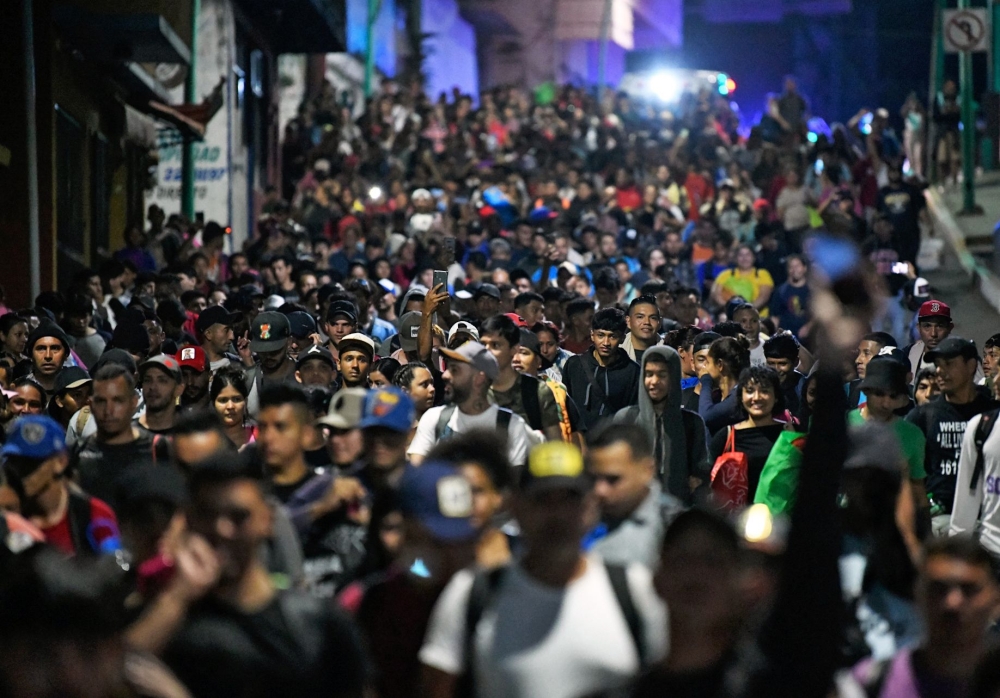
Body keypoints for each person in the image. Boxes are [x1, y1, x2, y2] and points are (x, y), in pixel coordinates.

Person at [419, 441, 667, 698]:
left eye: (570, 499)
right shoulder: (472, 594)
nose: (557, 514)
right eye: (543, 500)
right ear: (516, 508)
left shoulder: (635, 591)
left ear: (591, 507)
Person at [161, 451, 368, 698]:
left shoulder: (318, 625)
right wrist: (174, 598)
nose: (222, 529)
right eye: (207, 514)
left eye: (239, 517)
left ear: (267, 520)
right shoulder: (170, 623)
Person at [353, 461, 480, 698]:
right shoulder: (374, 605)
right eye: (438, 541)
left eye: (462, 541)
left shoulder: (490, 602)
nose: (454, 556)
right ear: (407, 533)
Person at [847, 537, 1000, 698]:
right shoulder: (868, 682)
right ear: (917, 595)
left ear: (996, 602)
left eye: (969, 590)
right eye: (938, 589)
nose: (952, 603)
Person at [908, 337, 998, 533]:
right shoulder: (922, 416)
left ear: (971, 365)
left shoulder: (992, 412)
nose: (940, 371)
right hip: (940, 520)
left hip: (988, 522)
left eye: (949, 364)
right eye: (938, 365)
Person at [2, 414, 120, 556]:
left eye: (31, 463)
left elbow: (115, 573)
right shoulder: (6, 516)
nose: (21, 471)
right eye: (15, 462)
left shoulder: (94, 516)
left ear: (61, 462)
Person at [408, 341, 532, 468]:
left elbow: (513, 483)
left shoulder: (511, 426)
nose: (445, 375)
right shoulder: (434, 418)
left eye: (454, 370)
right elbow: (417, 477)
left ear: (479, 378)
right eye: (448, 368)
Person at [614, 346, 710, 503]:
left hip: (677, 514)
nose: (654, 381)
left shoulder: (691, 423)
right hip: (634, 512)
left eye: (662, 375)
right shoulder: (626, 419)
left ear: (672, 378)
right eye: (649, 374)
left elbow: (701, 472)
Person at [586, 423, 685, 568]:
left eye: (613, 479)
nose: (600, 490)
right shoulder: (578, 521)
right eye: (593, 479)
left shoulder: (675, 528)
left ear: (647, 470)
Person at [70, 363, 158, 510]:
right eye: (101, 401)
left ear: (133, 403)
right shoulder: (77, 452)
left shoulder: (157, 448)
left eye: (118, 400)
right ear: (90, 405)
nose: (108, 410)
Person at [708, 366, 786, 502]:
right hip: (735, 519)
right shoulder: (727, 435)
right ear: (741, 397)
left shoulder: (789, 434)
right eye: (749, 391)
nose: (756, 397)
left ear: (776, 397)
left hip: (779, 518)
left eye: (765, 391)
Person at [480, 314, 563, 441]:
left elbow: (555, 445)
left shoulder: (537, 391)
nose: (487, 351)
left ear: (514, 349)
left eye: (495, 345)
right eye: (483, 344)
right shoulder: (474, 389)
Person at [562, 307, 641, 428]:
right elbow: (565, 404)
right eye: (601, 335)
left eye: (612, 336)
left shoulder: (632, 371)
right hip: (578, 440)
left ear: (622, 339)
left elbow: (633, 414)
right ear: (592, 335)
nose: (606, 342)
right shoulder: (574, 365)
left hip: (612, 441)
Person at [698, 336, 751, 434]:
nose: (704, 367)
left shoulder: (739, 396)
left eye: (708, 362)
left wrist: (705, 381)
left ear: (720, 365)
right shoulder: (717, 395)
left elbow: (705, 416)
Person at [710, 244, 775, 317]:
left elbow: (763, 297)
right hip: (730, 317)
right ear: (735, 258)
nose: (744, 258)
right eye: (741, 255)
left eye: (748, 255)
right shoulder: (725, 274)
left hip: (757, 317)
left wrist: (746, 311)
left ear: (754, 257)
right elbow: (716, 294)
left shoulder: (762, 274)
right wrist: (732, 310)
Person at [136, 354, 184, 434]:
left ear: (178, 389)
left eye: (162, 380)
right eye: (148, 380)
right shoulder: (127, 434)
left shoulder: (190, 436)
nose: (153, 387)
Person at [211, 367, 255, 448]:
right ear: (213, 403)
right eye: (223, 400)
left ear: (246, 402)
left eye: (237, 399)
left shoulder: (260, 437)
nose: (230, 406)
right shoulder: (205, 443)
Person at [763, 333, 805, 419]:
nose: (776, 369)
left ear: (796, 362)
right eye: (771, 363)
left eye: (782, 363)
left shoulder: (805, 389)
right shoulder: (759, 387)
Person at [769, 254, 811, 337]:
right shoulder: (781, 291)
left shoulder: (812, 290)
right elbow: (775, 316)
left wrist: (809, 327)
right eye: (791, 267)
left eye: (797, 266)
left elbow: (819, 315)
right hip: (787, 336)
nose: (794, 269)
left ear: (804, 268)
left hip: (809, 337)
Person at [26, 321, 71, 393]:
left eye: (55, 348)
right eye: (41, 348)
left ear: (66, 355)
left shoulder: (77, 388)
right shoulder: (20, 390)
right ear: (31, 355)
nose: (48, 356)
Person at [197, 304, 242, 372]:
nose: (232, 337)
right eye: (226, 330)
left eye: (232, 329)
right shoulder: (190, 365)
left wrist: (249, 364)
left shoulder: (236, 364)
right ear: (208, 334)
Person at [622, 295, 662, 364]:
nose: (647, 322)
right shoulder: (614, 354)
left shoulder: (671, 355)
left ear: (659, 323)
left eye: (653, 318)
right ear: (628, 321)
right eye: (640, 317)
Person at [177, 344, 212, 410]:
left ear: (210, 375)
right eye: (184, 375)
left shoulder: (221, 414)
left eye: (196, 374)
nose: (190, 382)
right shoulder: (168, 414)